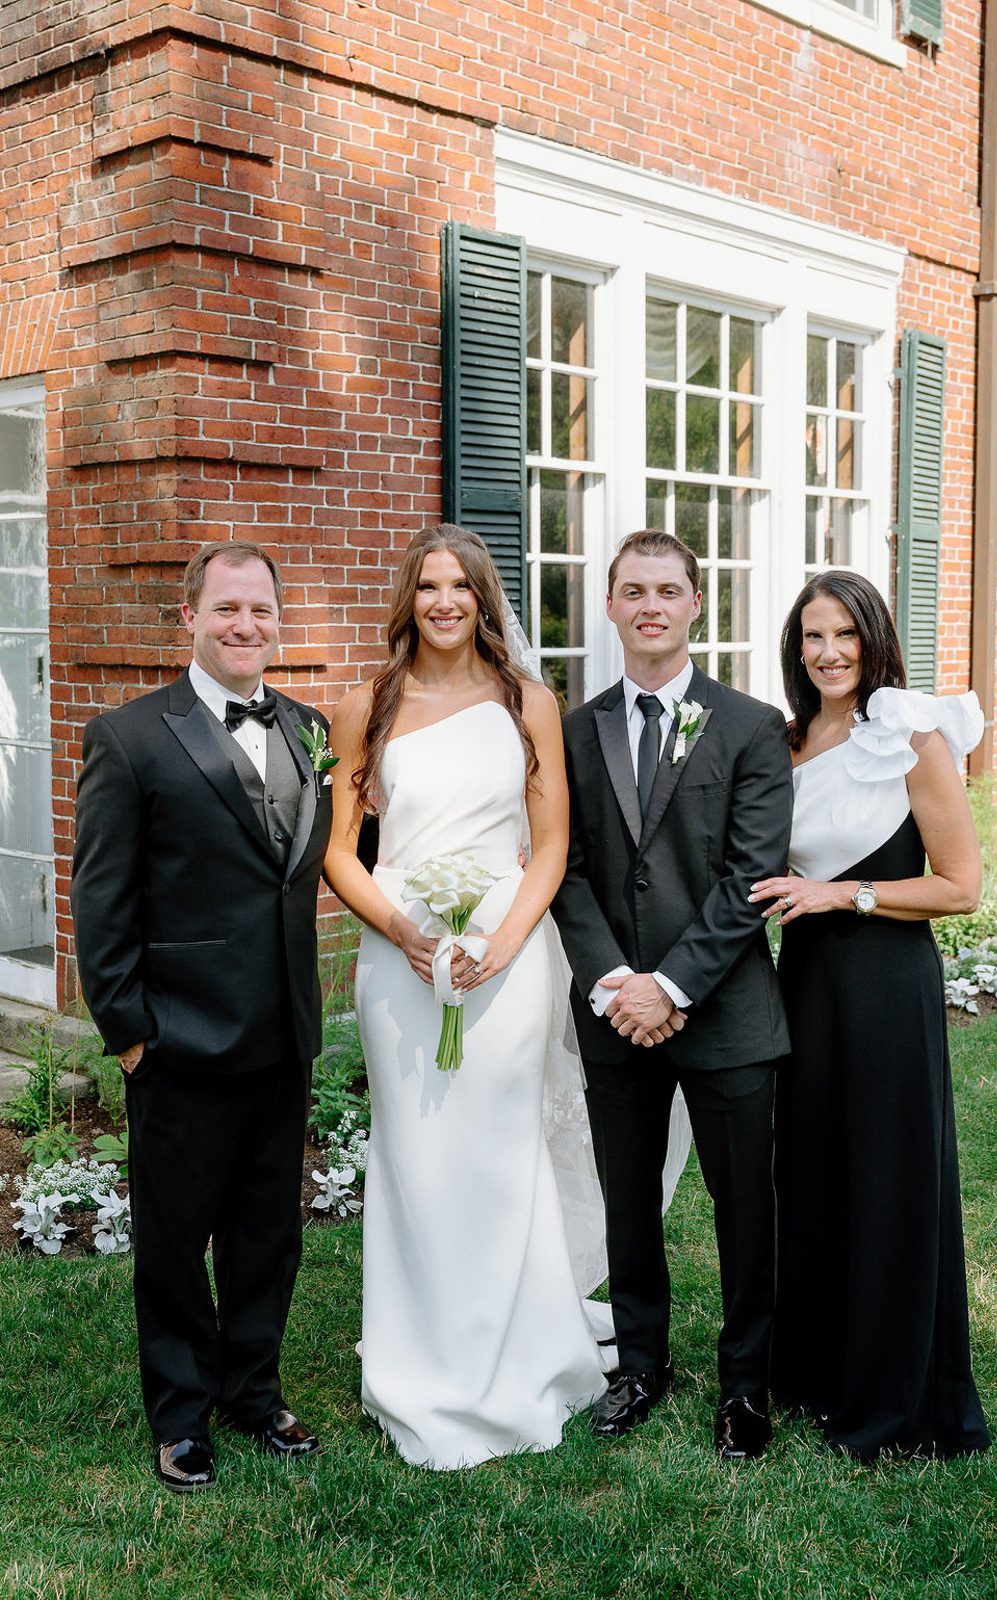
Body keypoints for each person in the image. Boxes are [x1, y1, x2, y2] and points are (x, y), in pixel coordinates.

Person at [324, 523, 608, 1470]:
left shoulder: (529, 700)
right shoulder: (364, 704)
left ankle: (522, 1355)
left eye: (461, 586)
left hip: (508, 952)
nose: (444, 602)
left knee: (499, 1148)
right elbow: (340, 852)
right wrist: (403, 930)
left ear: (485, 599)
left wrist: (502, 939)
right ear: (408, 598)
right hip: (398, 957)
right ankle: (417, 1364)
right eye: (428, 586)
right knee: (413, 1151)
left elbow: (554, 840)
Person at [72, 541, 332, 1491]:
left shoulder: (309, 727)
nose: (245, 626)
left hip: (283, 1037)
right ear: (189, 617)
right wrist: (131, 1033)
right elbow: (101, 900)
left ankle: (254, 1394)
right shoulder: (131, 736)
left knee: (270, 1233)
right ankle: (181, 1415)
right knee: (176, 1239)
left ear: (278, 619)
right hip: (178, 1041)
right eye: (226, 610)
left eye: (260, 610)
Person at [552, 529, 793, 1460]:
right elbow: (564, 872)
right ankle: (639, 1368)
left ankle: (745, 1388)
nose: (650, 605)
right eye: (632, 590)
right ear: (609, 605)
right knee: (627, 1202)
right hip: (615, 1013)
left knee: (744, 1209)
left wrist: (673, 986)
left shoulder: (749, 725)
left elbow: (751, 878)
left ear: (697, 605)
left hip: (725, 1012)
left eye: (668, 590)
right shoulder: (575, 731)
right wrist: (619, 985)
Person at [750, 569, 991, 1459]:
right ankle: (817, 1374)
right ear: (794, 648)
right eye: (812, 637)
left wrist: (842, 894)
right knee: (812, 1178)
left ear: (873, 639)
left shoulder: (907, 734)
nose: (829, 653)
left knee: (888, 1183)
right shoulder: (784, 743)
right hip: (806, 987)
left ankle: (894, 1396)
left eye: (844, 635)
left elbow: (960, 886)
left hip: (885, 983)